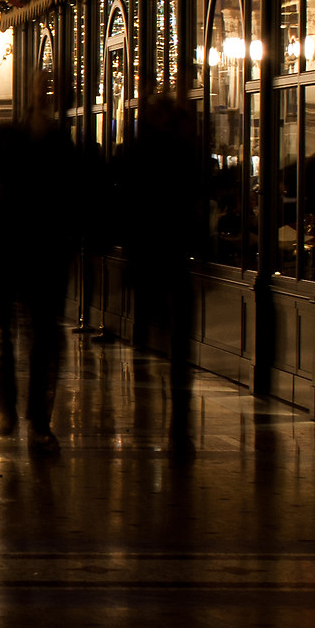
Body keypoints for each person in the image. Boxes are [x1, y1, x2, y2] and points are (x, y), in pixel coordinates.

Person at [0, 73, 81, 451]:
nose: (42, 96)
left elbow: (76, 196)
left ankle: (40, 420)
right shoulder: (2, 138)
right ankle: (8, 411)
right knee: (4, 337)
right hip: (7, 251)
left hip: (45, 255)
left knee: (44, 337)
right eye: (39, 88)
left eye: (49, 91)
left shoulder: (61, 142)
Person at [118, 91, 200, 455]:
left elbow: (124, 199)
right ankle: (179, 423)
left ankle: (171, 415)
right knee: (178, 342)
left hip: (151, 255)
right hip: (175, 254)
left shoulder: (137, 152)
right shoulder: (183, 152)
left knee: (165, 338)